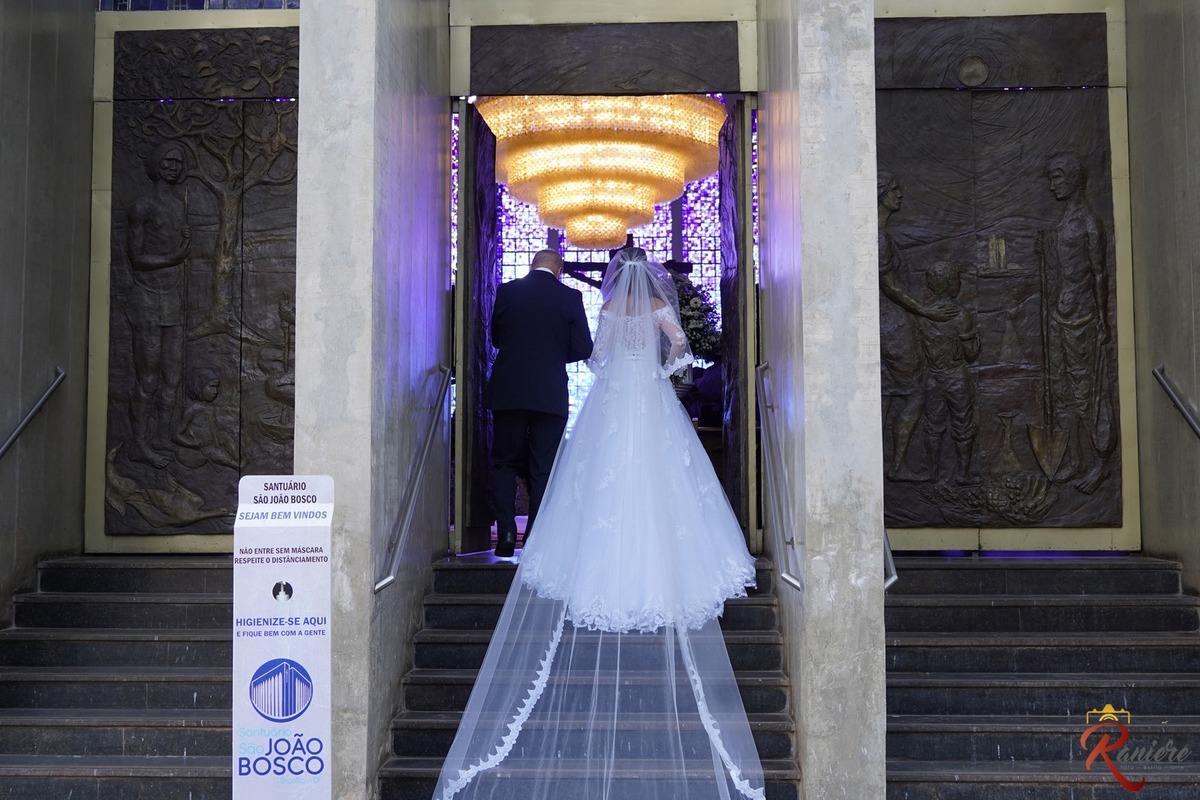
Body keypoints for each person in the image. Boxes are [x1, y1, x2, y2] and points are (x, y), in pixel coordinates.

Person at [433, 248, 764, 800]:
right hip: (651, 398)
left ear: (615, 275)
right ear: (648, 273)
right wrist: (661, 372)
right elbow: (680, 346)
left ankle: (527, 539)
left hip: (609, 402)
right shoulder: (656, 305)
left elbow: (596, 356)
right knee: (661, 478)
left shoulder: (607, 309)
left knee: (586, 477)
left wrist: (614, 372)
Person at [485, 249, 592, 557]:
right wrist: (553, 357)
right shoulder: (570, 297)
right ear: (559, 270)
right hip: (549, 393)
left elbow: (496, 338)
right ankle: (535, 539)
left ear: (532, 266)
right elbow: (583, 347)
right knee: (543, 466)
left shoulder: (508, 291)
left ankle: (506, 533)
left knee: (504, 461)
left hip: (510, 390)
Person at [1035, 153, 1114, 492]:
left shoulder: (1089, 223)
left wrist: (1103, 320)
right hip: (1060, 316)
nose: (1051, 185)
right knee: (1064, 392)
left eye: (1056, 178)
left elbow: (1099, 274)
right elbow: (1063, 267)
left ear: (1074, 179)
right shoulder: (1064, 219)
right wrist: (1046, 248)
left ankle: (1101, 464)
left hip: (1082, 320)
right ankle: (1076, 459)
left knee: (1088, 394)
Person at [877, 170, 954, 481]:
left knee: (885, 392)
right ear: (880, 194)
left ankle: (879, 466)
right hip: (893, 326)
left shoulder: (879, 235)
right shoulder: (880, 238)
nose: (899, 195)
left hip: (884, 323)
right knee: (915, 391)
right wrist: (926, 311)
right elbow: (889, 286)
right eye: (893, 190)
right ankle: (897, 467)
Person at [125, 141, 191, 468]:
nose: (173, 167)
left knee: (173, 377)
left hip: (172, 298)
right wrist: (172, 258)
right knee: (148, 379)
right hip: (147, 298)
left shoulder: (179, 205)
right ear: (155, 164)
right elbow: (136, 258)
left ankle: (162, 437)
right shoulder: (142, 207)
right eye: (167, 161)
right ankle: (139, 444)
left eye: (178, 162)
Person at [916, 261, 981, 484]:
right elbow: (971, 353)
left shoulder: (924, 314)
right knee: (963, 425)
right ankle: (963, 474)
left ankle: (933, 473)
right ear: (951, 283)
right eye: (956, 279)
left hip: (933, 378)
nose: (959, 283)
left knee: (933, 426)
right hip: (956, 378)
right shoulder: (961, 315)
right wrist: (977, 340)